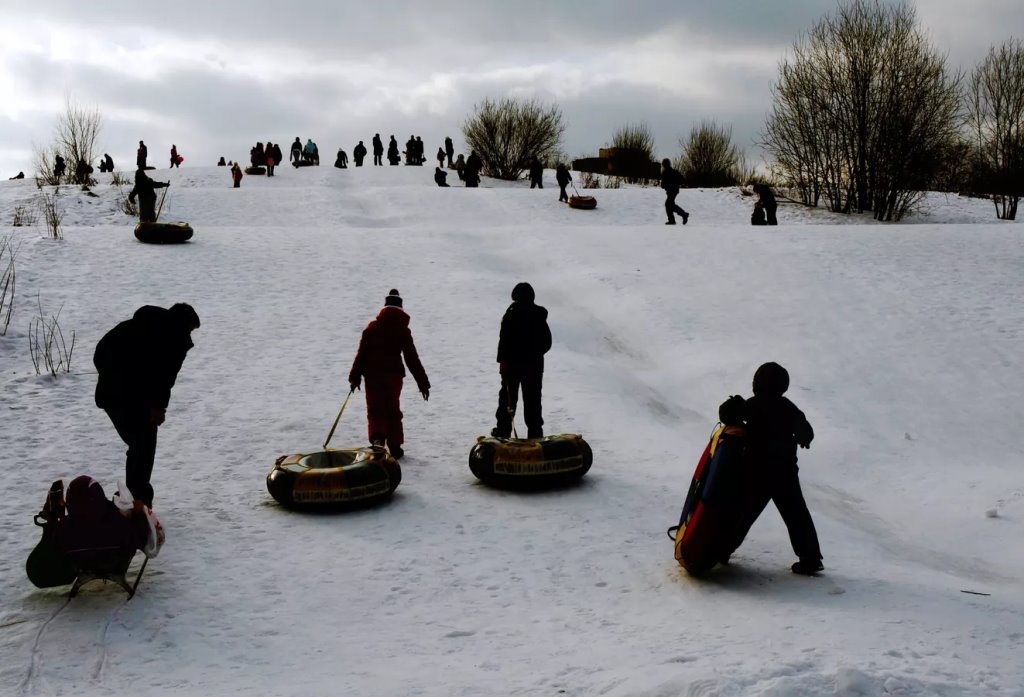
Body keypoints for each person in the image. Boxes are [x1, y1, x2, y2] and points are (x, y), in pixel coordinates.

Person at [718, 362, 823, 575]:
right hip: (784, 471)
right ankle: (811, 558)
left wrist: (734, 405)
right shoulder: (788, 407)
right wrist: (803, 437)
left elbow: (726, 416)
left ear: (756, 383)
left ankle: (721, 550)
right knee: (796, 514)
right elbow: (805, 431)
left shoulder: (752, 405)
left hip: (755, 470)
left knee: (742, 514)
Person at [93, 303, 200, 507]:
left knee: (139, 444)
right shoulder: (175, 336)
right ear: (185, 323)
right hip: (130, 398)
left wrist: (110, 376)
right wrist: (158, 408)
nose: (190, 336)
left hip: (112, 395)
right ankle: (136, 500)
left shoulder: (136, 324)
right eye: (191, 330)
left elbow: (100, 351)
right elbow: (165, 376)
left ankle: (133, 496)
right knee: (143, 443)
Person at [348, 289, 430, 460]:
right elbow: (412, 358)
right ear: (400, 308)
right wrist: (423, 383)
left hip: (372, 375)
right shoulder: (402, 331)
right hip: (393, 377)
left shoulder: (372, 328)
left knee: (375, 409)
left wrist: (355, 377)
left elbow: (361, 354)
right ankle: (395, 446)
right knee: (393, 409)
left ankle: (378, 440)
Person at [53, 476, 150, 572]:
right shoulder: (118, 523)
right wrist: (139, 515)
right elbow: (142, 540)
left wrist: (52, 520)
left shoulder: (62, 529)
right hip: (114, 565)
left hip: (82, 567)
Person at [492, 282, 551, 439]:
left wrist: (503, 362)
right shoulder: (539, 315)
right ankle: (535, 435)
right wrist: (535, 354)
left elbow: (503, 341)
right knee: (533, 403)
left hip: (513, 366)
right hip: (534, 367)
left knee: (507, 401)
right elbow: (547, 342)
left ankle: (503, 433)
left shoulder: (511, 314)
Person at [659, 158, 689, 225]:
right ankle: (675, 218)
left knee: (668, 204)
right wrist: (676, 183)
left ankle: (681, 216)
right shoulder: (674, 171)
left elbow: (663, 185)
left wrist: (669, 184)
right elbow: (683, 180)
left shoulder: (665, 173)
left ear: (664, 165)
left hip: (671, 191)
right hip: (675, 190)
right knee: (670, 204)